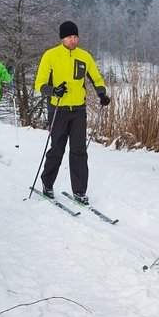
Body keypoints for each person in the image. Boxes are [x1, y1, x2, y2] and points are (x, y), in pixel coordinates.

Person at [33, 20, 110, 205]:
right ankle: (47, 184)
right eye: (69, 36)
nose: (73, 40)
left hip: (78, 109)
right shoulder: (50, 55)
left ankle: (79, 191)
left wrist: (101, 93)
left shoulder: (84, 56)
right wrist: (53, 91)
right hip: (58, 108)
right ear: (62, 38)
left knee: (79, 150)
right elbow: (39, 84)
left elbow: (96, 78)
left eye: (75, 36)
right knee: (57, 148)